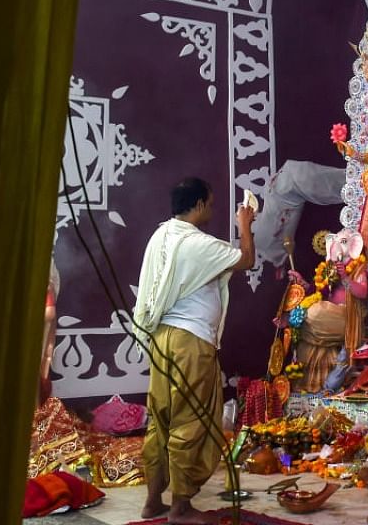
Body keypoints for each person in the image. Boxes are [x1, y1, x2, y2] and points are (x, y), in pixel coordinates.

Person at [133, 178, 257, 524]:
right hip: (190, 342)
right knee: (191, 419)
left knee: (161, 419)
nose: (212, 210)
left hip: (162, 339)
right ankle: (180, 508)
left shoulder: (160, 236)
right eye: (211, 204)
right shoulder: (196, 243)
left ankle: (153, 501)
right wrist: (244, 226)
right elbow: (246, 260)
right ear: (200, 205)